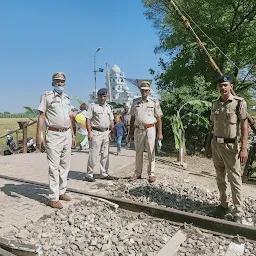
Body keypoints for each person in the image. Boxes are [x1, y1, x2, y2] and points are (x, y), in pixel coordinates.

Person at [206, 75, 248, 223]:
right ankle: (223, 205)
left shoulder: (239, 103)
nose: (223, 88)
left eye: (225, 85)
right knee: (219, 176)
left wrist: (244, 148)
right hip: (216, 144)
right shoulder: (215, 104)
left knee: (235, 178)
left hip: (231, 146)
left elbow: (244, 126)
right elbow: (212, 126)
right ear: (217, 88)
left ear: (231, 86)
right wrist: (208, 145)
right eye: (220, 86)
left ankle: (238, 211)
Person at [36, 72, 76, 209]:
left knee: (65, 165)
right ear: (53, 83)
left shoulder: (67, 98)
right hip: (53, 134)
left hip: (66, 133)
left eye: (62, 81)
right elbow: (41, 116)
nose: (60, 83)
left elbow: (69, 118)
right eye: (57, 81)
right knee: (54, 167)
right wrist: (38, 136)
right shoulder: (47, 96)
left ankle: (62, 191)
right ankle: (53, 197)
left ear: (65, 83)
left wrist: (73, 135)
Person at [129, 81, 163, 183]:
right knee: (138, 152)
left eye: (146, 90)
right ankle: (137, 173)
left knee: (150, 152)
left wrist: (159, 133)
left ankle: (151, 174)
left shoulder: (154, 102)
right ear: (140, 90)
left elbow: (159, 118)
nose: (144, 92)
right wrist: (130, 131)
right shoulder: (135, 102)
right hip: (138, 129)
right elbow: (132, 117)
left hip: (150, 129)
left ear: (149, 91)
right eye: (142, 90)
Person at [85, 88, 115, 182]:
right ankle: (89, 174)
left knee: (105, 155)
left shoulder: (108, 107)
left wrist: (112, 132)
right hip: (96, 132)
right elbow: (88, 119)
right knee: (94, 154)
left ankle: (104, 173)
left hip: (106, 133)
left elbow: (111, 120)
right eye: (101, 96)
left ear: (106, 96)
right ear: (98, 96)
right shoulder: (93, 106)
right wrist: (89, 132)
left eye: (104, 96)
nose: (102, 98)